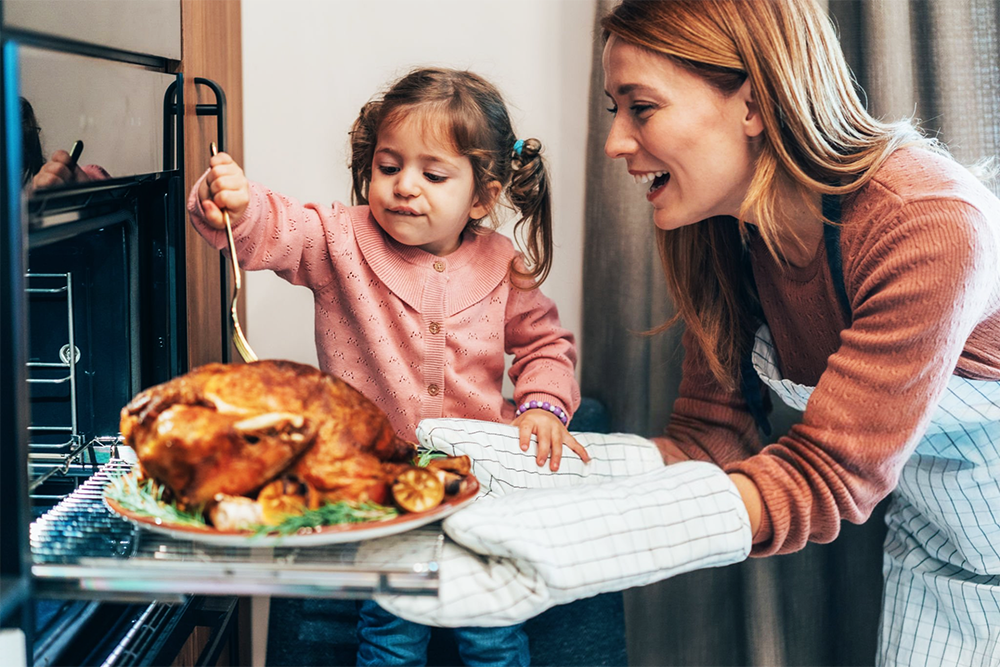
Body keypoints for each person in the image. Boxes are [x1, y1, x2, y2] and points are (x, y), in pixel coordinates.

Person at [599, 0, 1000, 665]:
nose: (615, 142)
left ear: (752, 104)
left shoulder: (925, 218)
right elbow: (711, 442)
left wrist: (593, 538)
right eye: (615, 111)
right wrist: (541, 477)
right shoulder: (724, 236)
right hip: (936, 556)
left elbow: (829, 472)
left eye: (641, 107)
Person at [188, 67, 589, 667]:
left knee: (495, 633)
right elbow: (277, 230)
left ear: (481, 196)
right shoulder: (338, 238)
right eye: (388, 165)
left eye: (433, 174)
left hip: (480, 482)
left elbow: (546, 346)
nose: (404, 186)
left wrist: (542, 405)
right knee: (391, 637)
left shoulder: (504, 265)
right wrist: (235, 206)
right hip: (382, 488)